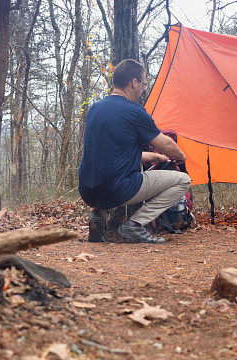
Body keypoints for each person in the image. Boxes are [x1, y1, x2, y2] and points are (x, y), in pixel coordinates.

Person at [78, 59, 190, 244]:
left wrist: (154, 156)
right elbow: (166, 144)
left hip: (88, 191)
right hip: (118, 190)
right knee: (183, 181)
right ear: (133, 82)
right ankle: (135, 225)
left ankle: (98, 216)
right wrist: (181, 156)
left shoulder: (94, 109)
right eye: (143, 83)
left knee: (111, 178)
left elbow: (113, 153)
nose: (143, 89)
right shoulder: (135, 112)